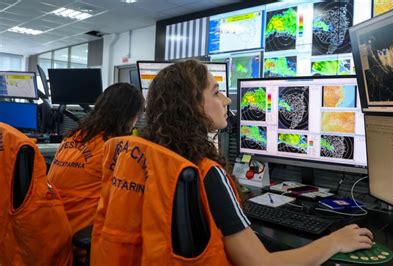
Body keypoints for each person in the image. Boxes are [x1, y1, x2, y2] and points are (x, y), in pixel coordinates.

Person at [141, 59, 374, 265]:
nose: (227, 100)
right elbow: (261, 263)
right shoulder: (206, 173)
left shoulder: (158, 157)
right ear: (191, 107)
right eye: (215, 92)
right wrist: (334, 242)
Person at [48, 82, 144, 235]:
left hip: (50, 230)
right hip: (81, 237)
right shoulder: (114, 147)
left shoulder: (72, 136)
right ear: (130, 116)